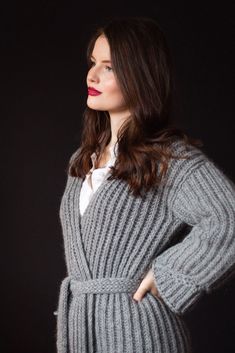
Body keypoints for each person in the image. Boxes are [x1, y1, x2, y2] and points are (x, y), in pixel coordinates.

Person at [55, 16, 235, 353]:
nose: (91, 76)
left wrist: (171, 275)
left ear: (140, 75)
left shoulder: (169, 158)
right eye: (93, 63)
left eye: (108, 67)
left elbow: (230, 219)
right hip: (83, 329)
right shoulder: (81, 160)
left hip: (140, 334)